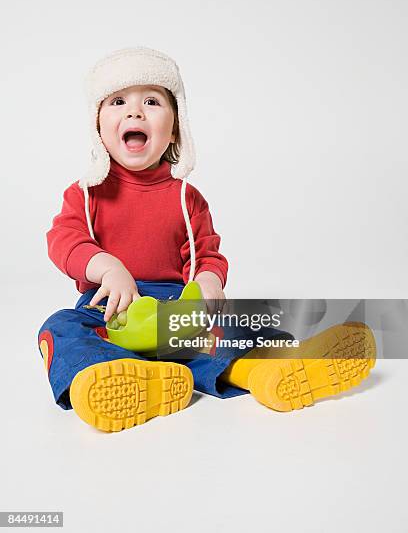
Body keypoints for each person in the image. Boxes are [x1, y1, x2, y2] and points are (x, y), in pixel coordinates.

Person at [38, 47, 377, 433]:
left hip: (175, 308)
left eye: (152, 101)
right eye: (118, 102)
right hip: (110, 310)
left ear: (175, 127)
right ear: (98, 125)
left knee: (228, 327)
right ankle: (106, 375)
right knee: (61, 328)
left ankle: (268, 369)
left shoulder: (185, 198)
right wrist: (108, 268)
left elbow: (205, 256)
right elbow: (64, 239)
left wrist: (208, 282)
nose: (135, 112)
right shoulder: (86, 193)